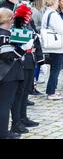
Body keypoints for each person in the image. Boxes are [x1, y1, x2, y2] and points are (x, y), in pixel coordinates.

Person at [2, 0, 43, 133]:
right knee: (16, 92)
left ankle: (22, 117)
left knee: (25, 89)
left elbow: (29, 24)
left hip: (28, 53)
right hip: (13, 56)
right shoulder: (4, 8)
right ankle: (15, 122)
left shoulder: (23, 5)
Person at [0, 8, 25, 139]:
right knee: (5, 104)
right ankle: (3, 133)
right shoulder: (4, 35)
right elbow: (8, 57)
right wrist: (23, 49)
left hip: (7, 73)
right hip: (8, 73)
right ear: (9, 20)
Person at [42, 0, 63, 100]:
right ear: (55, 2)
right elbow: (62, 30)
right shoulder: (53, 14)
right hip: (57, 46)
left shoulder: (47, 13)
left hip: (52, 45)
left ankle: (51, 89)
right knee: (56, 69)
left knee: (55, 69)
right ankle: (51, 92)